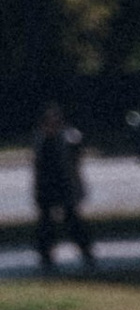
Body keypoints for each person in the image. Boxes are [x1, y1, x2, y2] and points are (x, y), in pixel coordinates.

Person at [32, 106, 94, 274]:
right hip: (46, 187)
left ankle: (86, 252)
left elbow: (77, 148)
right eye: (48, 121)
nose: (51, 125)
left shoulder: (68, 138)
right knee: (45, 224)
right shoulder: (41, 139)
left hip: (64, 185)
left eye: (55, 121)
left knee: (73, 220)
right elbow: (38, 167)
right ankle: (46, 257)